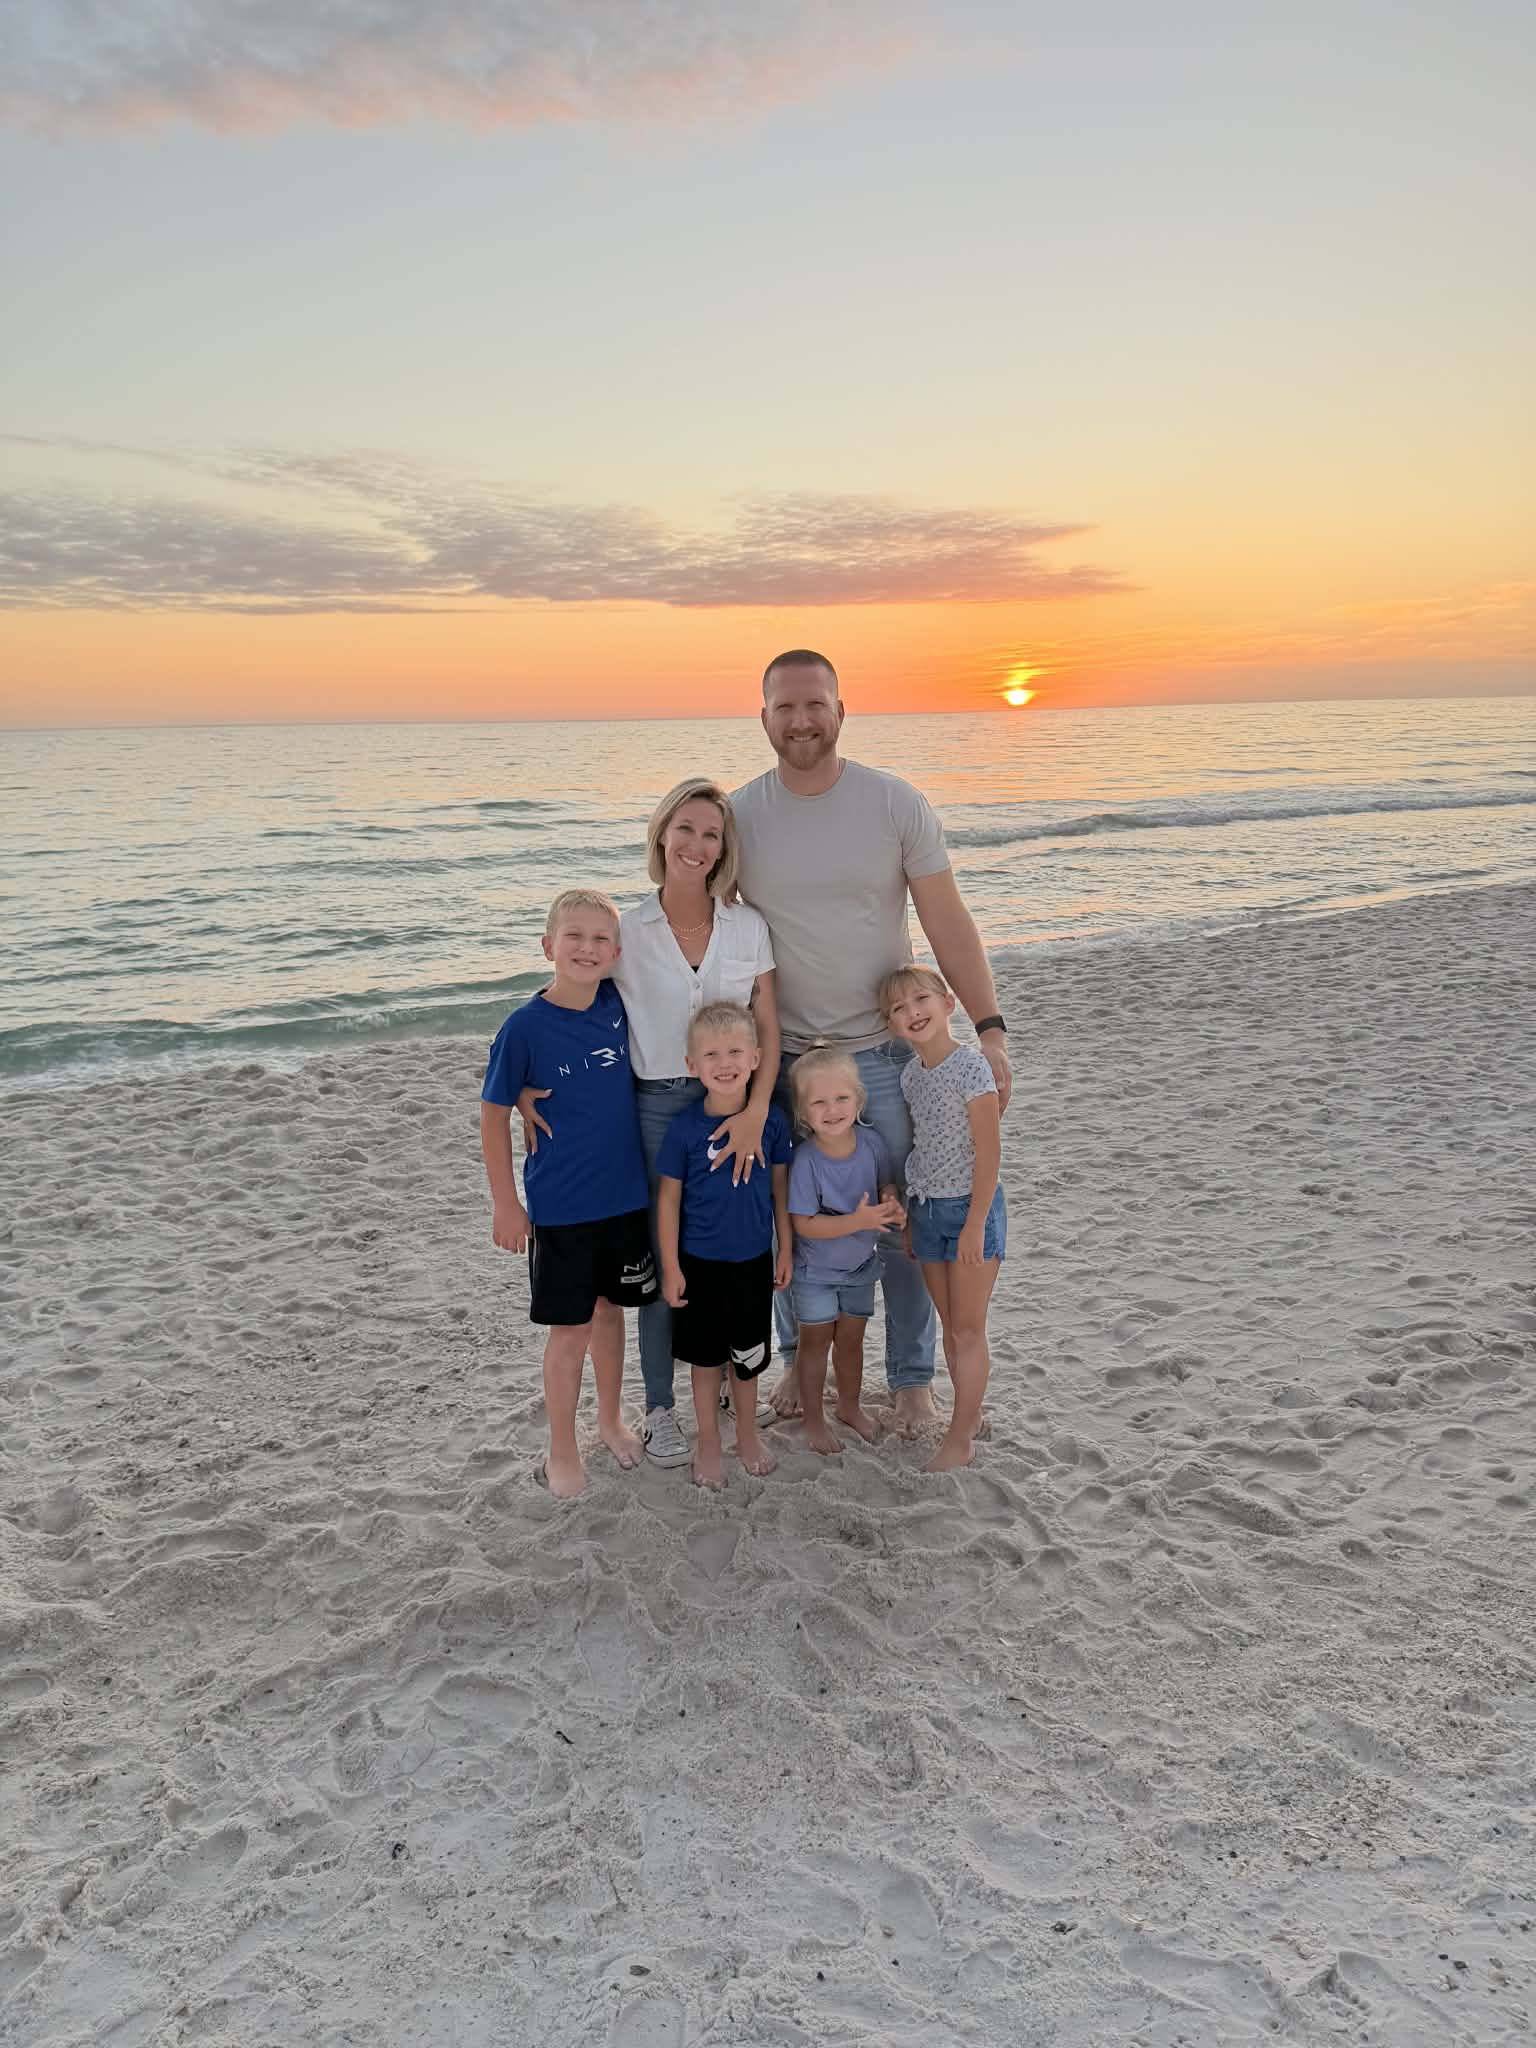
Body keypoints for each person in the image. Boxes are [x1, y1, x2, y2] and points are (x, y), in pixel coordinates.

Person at [730, 649, 1013, 1433]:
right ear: (763, 720)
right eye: (784, 707)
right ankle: (799, 1362)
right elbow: (708, 932)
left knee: (903, 1218)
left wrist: (987, 1030)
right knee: (796, 1217)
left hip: (885, 1057)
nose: (801, 720)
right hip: (787, 1057)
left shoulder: (894, 803)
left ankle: (914, 1378)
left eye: (814, 703)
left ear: (841, 710)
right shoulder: (741, 816)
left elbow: (947, 920)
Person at [516, 779, 780, 1469]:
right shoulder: (628, 930)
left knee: (729, 1245)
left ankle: (723, 1379)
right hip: (655, 1107)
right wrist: (521, 1089)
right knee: (668, 1262)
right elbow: (565, 1001)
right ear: (662, 835)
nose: (696, 845)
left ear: (725, 850)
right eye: (684, 829)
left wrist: (756, 1111)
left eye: (711, 835)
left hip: (734, 1106)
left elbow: (770, 1027)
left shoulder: (748, 927)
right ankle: (661, 1409)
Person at [479, 889, 657, 1498]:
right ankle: (561, 1449)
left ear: (615, 953)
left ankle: (609, 1420)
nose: (586, 948)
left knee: (612, 1315)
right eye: (573, 937)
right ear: (549, 945)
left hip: (626, 1198)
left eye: (599, 939)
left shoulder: (616, 1004)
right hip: (562, 1208)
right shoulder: (525, 1026)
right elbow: (492, 1111)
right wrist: (507, 1204)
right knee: (570, 1330)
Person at [655, 1002, 793, 1489]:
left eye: (735, 1050)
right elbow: (668, 1201)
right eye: (711, 1054)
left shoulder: (772, 1123)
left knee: (749, 1355)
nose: (724, 1062)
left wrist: (786, 1247)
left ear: (756, 1057)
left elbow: (780, 1189)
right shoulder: (685, 1129)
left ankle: (748, 1434)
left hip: (753, 1261)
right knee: (705, 1358)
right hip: (699, 1263)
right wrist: (670, 1266)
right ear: (692, 1066)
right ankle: (709, 1439)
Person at [880, 963, 1005, 1472]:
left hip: (969, 1211)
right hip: (927, 1211)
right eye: (898, 1008)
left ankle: (959, 1437)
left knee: (969, 1331)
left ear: (948, 1003)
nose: (912, 1012)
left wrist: (976, 1222)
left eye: (921, 1000)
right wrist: (910, 1217)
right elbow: (923, 1149)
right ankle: (967, 1416)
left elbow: (989, 1154)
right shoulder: (911, 1076)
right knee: (951, 1327)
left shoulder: (972, 1067)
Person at [785, 1047, 903, 1455]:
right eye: (818, 1102)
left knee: (852, 1342)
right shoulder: (806, 1161)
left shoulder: (871, 1143)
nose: (832, 1109)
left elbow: (886, 1182)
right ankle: (814, 1419)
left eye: (841, 1098)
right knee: (815, 1346)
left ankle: (849, 1407)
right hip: (815, 1274)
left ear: (859, 1099)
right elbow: (803, 1223)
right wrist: (859, 1221)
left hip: (860, 1268)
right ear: (803, 1113)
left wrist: (890, 1204)